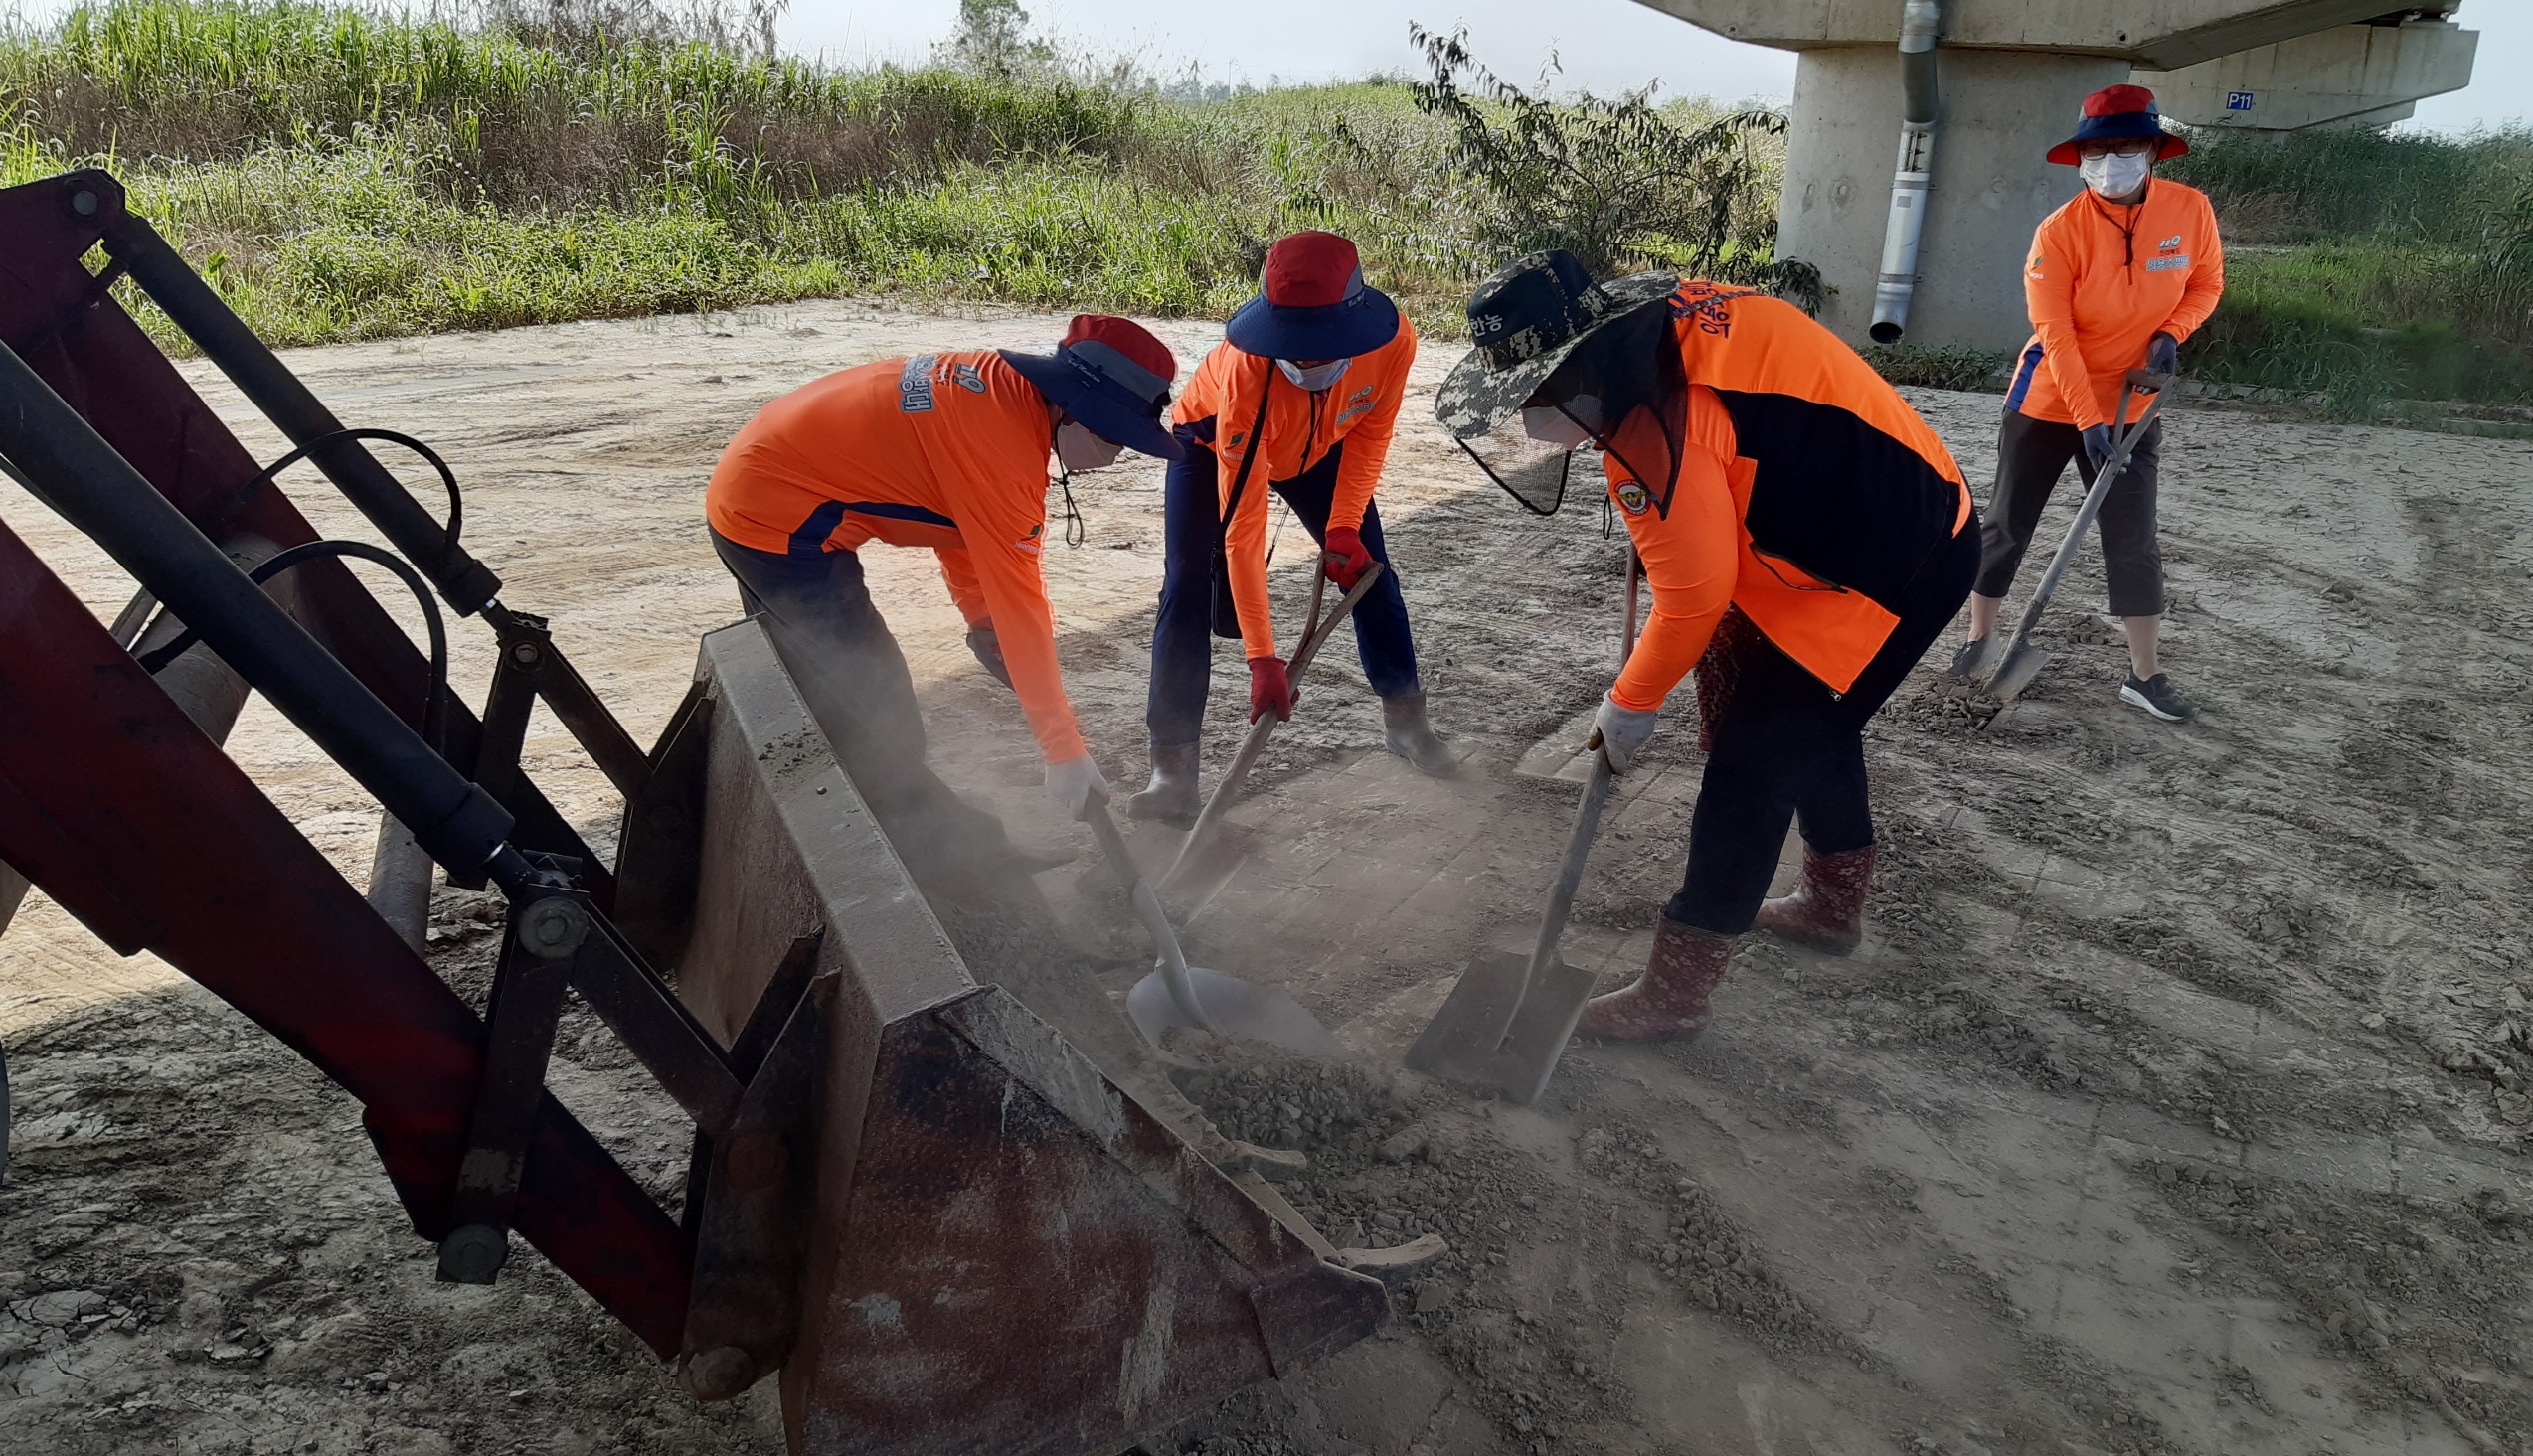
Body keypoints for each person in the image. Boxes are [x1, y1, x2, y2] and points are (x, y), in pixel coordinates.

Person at [1436, 250, 1978, 1041]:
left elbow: (1692, 600)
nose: (1531, 415)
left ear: (1589, 357)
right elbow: (1708, 535)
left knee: (1756, 761)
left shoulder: (1668, 427)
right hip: (1840, 527)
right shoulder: (1656, 342)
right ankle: (1831, 912)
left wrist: (1630, 702)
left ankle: (1674, 997)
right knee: (1811, 729)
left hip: (1892, 561)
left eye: (1543, 392)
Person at [704, 316, 1177, 877]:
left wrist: (983, 622)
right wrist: (1063, 748)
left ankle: (884, 843)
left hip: (770, 477)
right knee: (876, 704)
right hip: (775, 518)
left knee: (831, 691)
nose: (1117, 453)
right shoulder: (1004, 454)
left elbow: (957, 527)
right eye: (1115, 436)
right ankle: (941, 872)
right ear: (1077, 408)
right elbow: (1020, 606)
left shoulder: (1003, 392)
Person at [1129, 232, 1453, 822]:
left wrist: (1344, 527)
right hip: (1209, 444)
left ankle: (1407, 724)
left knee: (1371, 575)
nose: (1305, 358)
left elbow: (1370, 434)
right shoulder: (1247, 375)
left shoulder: (1393, 342)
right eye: (1293, 344)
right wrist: (1262, 658)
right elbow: (1243, 531)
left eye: (1320, 344)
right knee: (1186, 586)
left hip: (1321, 448)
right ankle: (1171, 770)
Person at [1960, 82, 2224, 722]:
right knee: (2007, 523)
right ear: (2081, 159)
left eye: (2127, 147)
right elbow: (2056, 336)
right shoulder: (2059, 233)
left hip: (2134, 404)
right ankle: (1978, 641)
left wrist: (2170, 333)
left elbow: (2205, 284)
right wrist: (2086, 419)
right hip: (2050, 396)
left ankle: (2145, 675)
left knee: (2133, 536)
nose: (2112, 163)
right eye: (2099, 151)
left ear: (2152, 152)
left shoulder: (2190, 211)